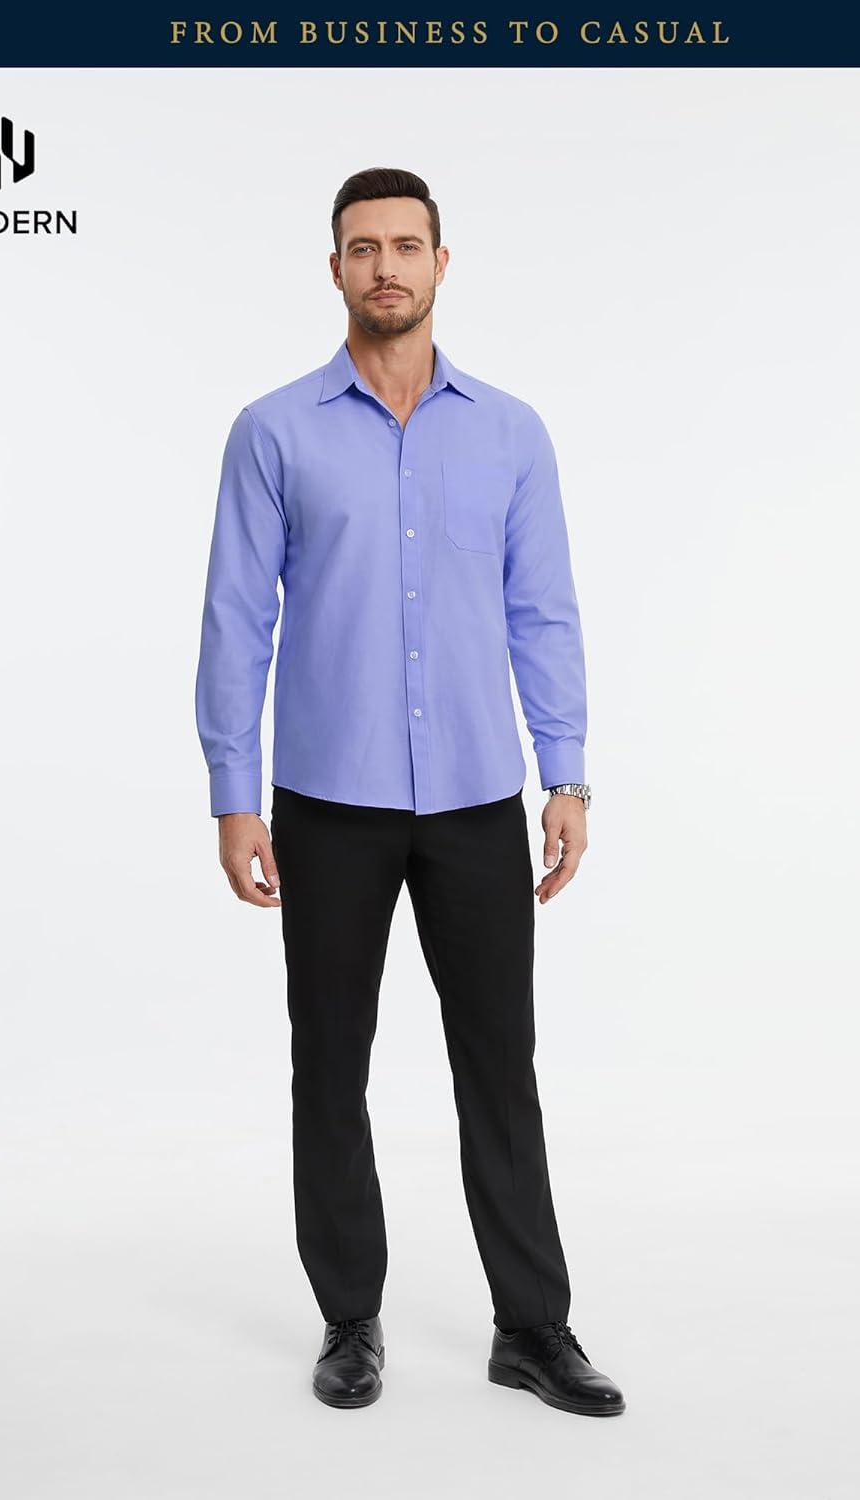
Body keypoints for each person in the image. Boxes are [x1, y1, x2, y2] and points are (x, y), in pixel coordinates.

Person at [194, 166, 625, 1417]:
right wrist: (234, 793)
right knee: (330, 1063)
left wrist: (567, 773)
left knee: (500, 1062)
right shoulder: (274, 431)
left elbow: (544, 611)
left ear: (442, 262)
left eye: (405, 245)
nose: (385, 266)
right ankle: (350, 1321)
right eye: (362, 247)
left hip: (480, 800)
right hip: (328, 802)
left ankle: (532, 1329)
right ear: (334, 268)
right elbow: (236, 620)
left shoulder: (511, 433)